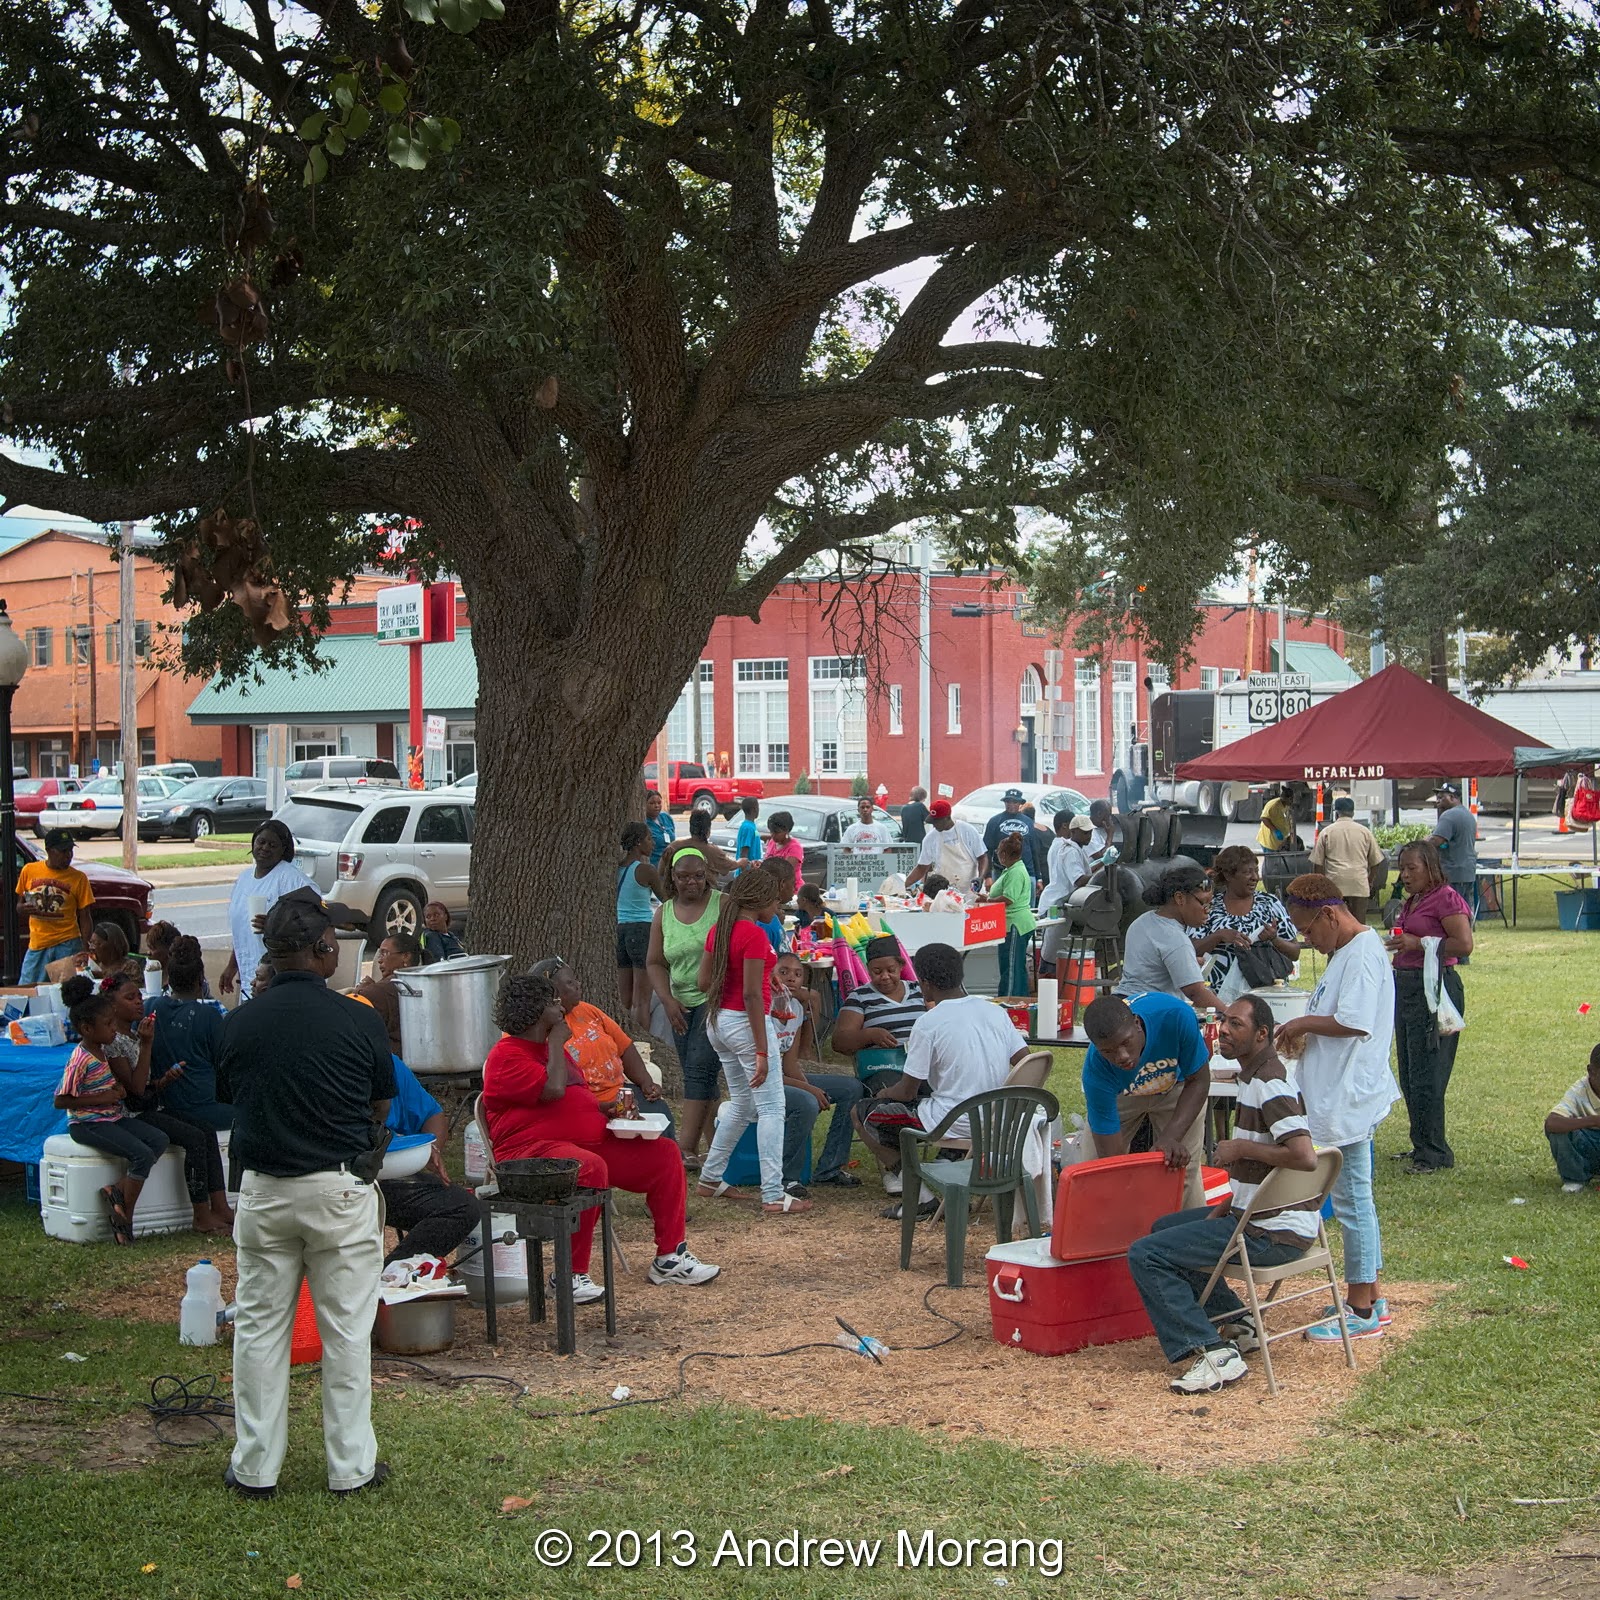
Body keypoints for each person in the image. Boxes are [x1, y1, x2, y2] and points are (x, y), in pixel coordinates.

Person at [217, 887, 397, 1498]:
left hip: (264, 1190)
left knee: (259, 1331)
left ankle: (254, 1468)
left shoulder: (239, 1022)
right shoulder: (359, 1017)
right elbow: (380, 1101)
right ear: (322, 951)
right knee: (346, 1334)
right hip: (339, 1191)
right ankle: (350, 1468)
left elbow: (231, 1096)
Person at [1127, 994, 1320, 1394]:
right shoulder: (1254, 1078)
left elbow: (1303, 1157)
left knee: (1146, 1253)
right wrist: (1229, 1204)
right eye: (1223, 1022)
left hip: (1270, 1234)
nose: (1224, 1032)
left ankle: (1213, 1352)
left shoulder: (1270, 1085)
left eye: (1237, 1025)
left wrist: (1241, 1149)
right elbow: (1270, 1174)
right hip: (1264, 1219)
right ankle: (1238, 1321)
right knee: (1165, 1228)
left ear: (1263, 1035)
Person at [482, 971, 721, 1295]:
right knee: (589, 1166)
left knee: (664, 1154)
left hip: (586, 1142)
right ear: (537, 1011)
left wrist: (605, 1108)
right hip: (529, 1153)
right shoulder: (506, 1055)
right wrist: (555, 1040)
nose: (561, 1008)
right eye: (553, 1003)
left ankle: (669, 1258)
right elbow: (552, 1091)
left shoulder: (553, 1051)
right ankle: (568, 1276)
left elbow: (572, 1096)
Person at [1277, 873, 1398, 1343]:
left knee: (1352, 1203)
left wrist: (1302, 1022)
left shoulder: (1363, 952)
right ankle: (1371, 1294)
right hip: (1338, 1094)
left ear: (1330, 914)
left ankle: (1362, 1308)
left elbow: (1353, 1020)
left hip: (1350, 1097)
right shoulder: (1345, 951)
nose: (1308, 940)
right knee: (1354, 1200)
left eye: (1308, 930)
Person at [854, 942, 1027, 1215]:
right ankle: (948, 1163)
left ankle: (921, 1196)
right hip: (1000, 1119)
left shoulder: (929, 1022)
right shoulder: (995, 1011)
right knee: (930, 1100)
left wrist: (884, 1095)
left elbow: (907, 1092)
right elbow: (1026, 1061)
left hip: (954, 1121)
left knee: (863, 1113)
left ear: (924, 983)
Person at [695, 865, 811, 1214]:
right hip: (747, 1024)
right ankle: (774, 1194)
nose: (778, 907)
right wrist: (762, 1049)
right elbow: (751, 997)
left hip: (718, 1023)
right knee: (772, 1107)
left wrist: (762, 981)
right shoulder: (755, 935)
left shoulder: (720, 930)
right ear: (760, 900)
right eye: (775, 901)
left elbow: (704, 982)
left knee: (743, 1103)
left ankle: (710, 1178)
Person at [101, 971, 232, 1233]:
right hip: (131, 1115)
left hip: (150, 1105)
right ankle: (201, 1215)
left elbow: (146, 1085)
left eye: (139, 995)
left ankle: (220, 1205)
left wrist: (164, 1080)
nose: (139, 1001)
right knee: (193, 1138)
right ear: (112, 1006)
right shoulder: (114, 1043)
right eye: (130, 998)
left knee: (204, 1129)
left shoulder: (134, 1036)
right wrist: (148, 1044)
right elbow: (136, 1091)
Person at [54, 980, 167, 1244]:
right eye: (108, 1024)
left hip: (111, 1117)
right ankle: (126, 1218)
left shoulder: (104, 1050)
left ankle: (117, 1192)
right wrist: (105, 1096)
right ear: (87, 1029)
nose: (114, 1028)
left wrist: (115, 1091)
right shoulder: (80, 1058)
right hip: (87, 1124)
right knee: (141, 1154)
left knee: (158, 1139)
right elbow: (61, 1100)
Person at [1386, 839, 1471, 1174]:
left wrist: (1417, 943)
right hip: (1407, 986)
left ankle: (1434, 1152)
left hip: (1434, 990)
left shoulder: (1446, 898)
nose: (1405, 875)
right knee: (1409, 1071)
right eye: (1402, 868)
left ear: (1431, 867)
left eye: (1412, 868)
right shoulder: (1414, 900)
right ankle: (1421, 1143)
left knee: (1428, 1073)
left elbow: (1464, 944)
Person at [1080, 992, 1211, 1210]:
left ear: (1137, 1024)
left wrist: (1170, 1138)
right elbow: (1110, 1160)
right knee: (1096, 1173)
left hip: (1177, 1087)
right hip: (1123, 1094)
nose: (1121, 1056)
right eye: (1108, 1051)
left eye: (1126, 1043)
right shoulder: (1096, 1070)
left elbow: (1199, 1081)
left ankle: (1191, 1234)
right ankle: (1115, 1236)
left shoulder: (1175, 1015)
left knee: (1182, 1167)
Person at [645, 843, 723, 1168]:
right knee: (702, 1077)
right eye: (684, 877)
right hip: (679, 1003)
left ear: (707, 877)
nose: (692, 883)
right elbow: (654, 962)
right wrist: (667, 1000)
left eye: (699, 876)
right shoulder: (663, 912)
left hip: (715, 999)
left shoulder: (724, 904)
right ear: (673, 878)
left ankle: (684, 1148)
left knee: (698, 1070)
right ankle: (717, 1149)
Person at [531, 957, 675, 1130]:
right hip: (582, 1106)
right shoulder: (535, 1028)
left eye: (575, 979)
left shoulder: (588, 1011)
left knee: (659, 1110)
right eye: (570, 983)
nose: (578, 984)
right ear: (552, 993)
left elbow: (625, 1047)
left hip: (619, 1095)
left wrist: (646, 1082)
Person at [771, 950, 865, 1188]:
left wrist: (810, 1086)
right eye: (783, 972)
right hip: (759, 1082)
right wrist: (809, 1090)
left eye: (797, 974)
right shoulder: (760, 1011)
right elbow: (766, 1073)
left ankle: (830, 1168)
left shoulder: (796, 1009)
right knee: (806, 1102)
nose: (791, 978)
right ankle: (786, 1177)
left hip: (782, 1077)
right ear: (769, 974)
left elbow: (790, 1063)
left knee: (851, 1087)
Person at [380, 1055, 479, 1266]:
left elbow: (433, 1116)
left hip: (392, 1172)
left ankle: (392, 1275)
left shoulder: (388, 1063)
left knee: (462, 1208)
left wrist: (433, 1149)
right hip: (339, 1174)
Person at [219, 820, 319, 997]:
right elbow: (242, 930)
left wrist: (276, 926)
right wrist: (232, 966)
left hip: (278, 980)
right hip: (250, 978)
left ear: (283, 850)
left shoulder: (290, 879)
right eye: (261, 842)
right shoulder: (244, 879)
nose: (265, 848)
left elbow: (317, 916)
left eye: (273, 845)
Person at [146, 935, 231, 1133]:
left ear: (169, 977)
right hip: (203, 1109)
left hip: (161, 1106)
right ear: (201, 978)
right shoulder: (211, 1015)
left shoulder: (149, 1007)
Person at [1194, 846, 1301, 998]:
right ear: (1228, 875)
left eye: (1256, 871)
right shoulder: (1211, 907)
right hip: (1217, 996)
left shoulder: (1270, 904)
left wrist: (1274, 939)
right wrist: (1219, 936)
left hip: (1264, 994)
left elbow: (1295, 952)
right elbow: (1190, 950)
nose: (1255, 877)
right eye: (1247, 872)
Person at [1117, 866, 1224, 1012]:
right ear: (1180, 898)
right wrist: (1230, 1016)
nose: (1207, 910)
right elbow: (1195, 992)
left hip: (1125, 1003)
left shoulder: (1142, 921)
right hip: (1150, 1012)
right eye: (1203, 903)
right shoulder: (1175, 938)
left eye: (1210, 904)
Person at [832, 935, 925, 1091]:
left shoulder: (919, 990)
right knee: (890, 1087)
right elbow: (839, 1042)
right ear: (868, 969)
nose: (884, 977)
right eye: (877, 971)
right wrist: (869, 1035)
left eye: (891, 970)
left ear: (901, 966)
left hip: (922, 1064)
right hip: (884, 1068)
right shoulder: (859, 997)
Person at [17, 828, 96, 983]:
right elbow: (19, 905)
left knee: (65, 991)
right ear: (49, 851)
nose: (68, 855)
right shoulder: (29, 870)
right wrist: (22, 908)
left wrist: (85, 949)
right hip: (38, 943)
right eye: (63, 851)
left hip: (67, 943)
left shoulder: (79, 878)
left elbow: (85, 916)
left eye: (70, 850)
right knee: (27, 989)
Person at [616, 822, 664, 1032]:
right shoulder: (645, 870)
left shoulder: (617, 868)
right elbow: (667, 898)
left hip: (620, 931)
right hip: (642, 930)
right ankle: (643, 1042)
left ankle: (622, 1035)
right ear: (638, 843)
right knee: (642, 1000)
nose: (652, 843)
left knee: (624, 998)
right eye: (649, 839)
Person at [1310, 797, 1385, 921]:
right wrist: (1369, 880)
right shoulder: (1365, 832)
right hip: (1359, 883)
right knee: (1358, 924)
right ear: (1353, 812)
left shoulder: (1327, 832)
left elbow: (1317, 863)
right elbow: (1376, 861)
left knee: (1335, 922)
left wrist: (1322, 884)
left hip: (1335, 884)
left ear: (1336, 812)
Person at [1038, 814, 1095, 969]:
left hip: (1063, 903)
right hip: (1058, 905)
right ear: (1073, 831)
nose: (1088, 836)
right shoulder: (1070, 851)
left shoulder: (1075, 849)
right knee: (1051, 955)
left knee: (1055, 953)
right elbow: (1078, 880)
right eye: (1085, 833)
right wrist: (1100, 876)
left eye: (1090, 832)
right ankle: (1045, 985)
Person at [985, 834, 1037, 996]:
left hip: (1015, 924)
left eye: (999, 852)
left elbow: (1009, 898)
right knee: (1014, 965)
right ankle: (1019, 998)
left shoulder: (1016, 872)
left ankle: (1008, 999)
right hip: (1009, 924)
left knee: (1011, 967)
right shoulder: (1011, 870)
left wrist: (988, 900)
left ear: (1004, 855)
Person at [352, 933, 421, 1055]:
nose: (379, 960)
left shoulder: (381, 990)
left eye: (385, 953)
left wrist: (359, 990)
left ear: (405, 956)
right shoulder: (421, 981)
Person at [1545, 1044, 1600, 1192]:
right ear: (1591, 1071)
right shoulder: (1579, 1092)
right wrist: (1593, 1121)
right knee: (1559, 1130)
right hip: (1590, 1146)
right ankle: (1575, 1179)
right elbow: (1551, 1122)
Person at [904, 799, 987, 893]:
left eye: (937, 821)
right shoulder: (930, 838)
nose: (934, 825)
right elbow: (921, 868)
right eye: (932, 822)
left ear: (947, 818)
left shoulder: (967, 830)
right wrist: (903, 885)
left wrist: (980, 877)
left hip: (970, 889)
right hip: (944, 891)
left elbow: (982, 857)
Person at [1427, 784, 1478, 917]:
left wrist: (1419, 844)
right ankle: (1466, 935)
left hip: (1453, 871)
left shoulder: (1449, 815)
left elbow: (1436, 840)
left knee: (1452, 912)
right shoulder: (1467, 814)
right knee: (1464, 909)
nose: (1438, 799)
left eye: (1441, 797)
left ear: (1452, 797)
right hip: (1467, 871)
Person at [982, 788, 1041, 885]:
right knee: (1000, 899)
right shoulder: (994, 821)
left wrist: (1038, 878)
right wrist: (988, 876)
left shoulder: (1028, 822)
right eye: (1008, 801)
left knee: (1026, 900)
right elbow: (987, 850)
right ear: (1004, 803)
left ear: (1020, 803)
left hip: (1027, 872)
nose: (1011, 804)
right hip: (1001, 873)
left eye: (1015, 802)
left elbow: (1034, 850)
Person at [687, 806, 736, 877]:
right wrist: (742, 862)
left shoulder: (674, 847)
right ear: (708, 831)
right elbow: (729, 866)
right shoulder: (714, 851)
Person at [763, 812, 806, 884]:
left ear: (786, 831)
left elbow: (785, 872)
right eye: (771, 832)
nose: (772, 835)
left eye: (776, 832)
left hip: (790, 889)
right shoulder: (772, 842)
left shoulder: (795, 848)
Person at [1256, 785, 1297, 853]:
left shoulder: (1286, 805)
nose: (1292, 801)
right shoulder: (1273, 805)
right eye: (1290, 799)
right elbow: (1264, 818)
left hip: (1278, 842)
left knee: (1275, 862)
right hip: (1269, 841)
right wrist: (1276, 831)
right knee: (1270, 862)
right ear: (1285, 798)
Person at [645, 787, 677, 866]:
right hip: (654, 865)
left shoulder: (666, 817)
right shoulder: (644, 823)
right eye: (652, 803)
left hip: (670, 864)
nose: (656, 806)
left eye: (659, 803)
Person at [734, 796, 763, 866]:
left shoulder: (751, 826)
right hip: (747, 871)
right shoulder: (747, 828)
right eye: (758, 807)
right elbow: (744, 852)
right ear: (754, 809)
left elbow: (753, 838)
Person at [1087, 798, 1115, 864]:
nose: (1109, 819)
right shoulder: (1087, 832)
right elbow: (1102, 857)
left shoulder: (1095, 829)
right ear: (1099, 814)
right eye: (1108, 815)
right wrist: (1110, 835)